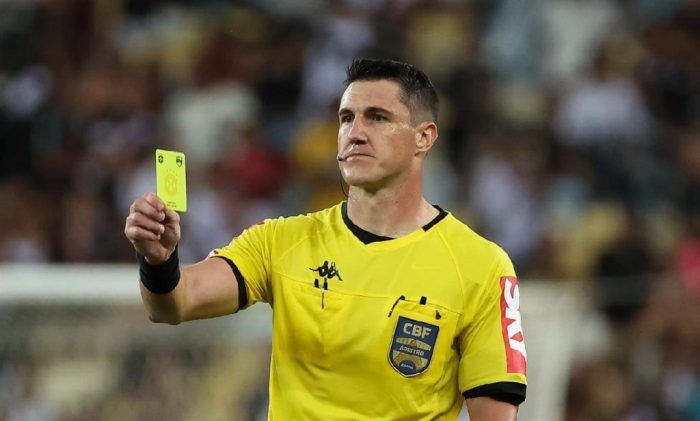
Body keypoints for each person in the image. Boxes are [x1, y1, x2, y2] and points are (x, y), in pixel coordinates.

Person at [124, 58, 527, 420]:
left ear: (424, 137)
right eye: (346, 118)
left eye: (378, 118)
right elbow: (176, 303)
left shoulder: (480, 266)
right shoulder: (281, 240)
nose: (356, 132)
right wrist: (159, 260)